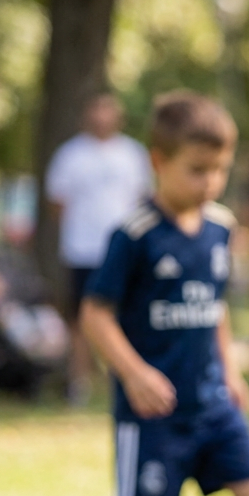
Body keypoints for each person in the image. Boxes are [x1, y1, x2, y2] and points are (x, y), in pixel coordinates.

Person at [80, 91, 249, 496]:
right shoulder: (134, 234)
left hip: (212, 402)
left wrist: (230, 367)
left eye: (220, 169)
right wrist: (133, 373)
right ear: (158, 161)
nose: (210, 182)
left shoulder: (219, 229)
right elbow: (95, 315)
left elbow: (211, 305)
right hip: (152, 414)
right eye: (196, 169)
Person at [45, 93, 151, 403]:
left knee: (127, 317)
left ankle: (125, 378)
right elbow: (57, 204)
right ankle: (79, 381)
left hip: (125, 251)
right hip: (82, 250)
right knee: (81, 318)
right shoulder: (70, 155)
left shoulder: (133, 154)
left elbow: (144, 200)